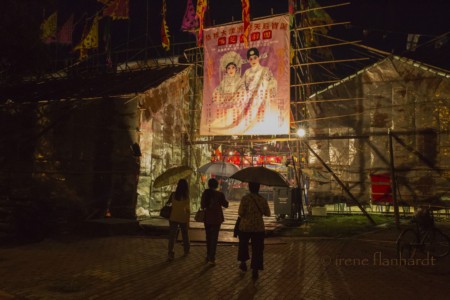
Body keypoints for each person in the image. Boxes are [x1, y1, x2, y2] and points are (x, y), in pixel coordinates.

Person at [237, 182, 271, 279]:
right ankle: (255, 269)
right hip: (258, 228)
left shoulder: (245, 199)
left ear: (249, 187)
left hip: (245, 227)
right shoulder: (262, 199)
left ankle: (243, 263)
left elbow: (240, 213)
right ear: (259, 188)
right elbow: (268, 213)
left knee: (243, 246)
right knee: (258, 249)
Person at [201, 178, 229, 265]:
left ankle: (208, 255)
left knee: (208, 237)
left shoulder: (205, 193)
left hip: (208, 218)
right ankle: (212, 257)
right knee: (214, 238)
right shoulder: (220, 194)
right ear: (216, 185)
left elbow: (202, 205)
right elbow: (226, 204)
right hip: (217, 218)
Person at [167, 179, 191, 261]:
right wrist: (188, 220)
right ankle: (186, 251)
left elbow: (168, 203)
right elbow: (188, 209)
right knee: (185, 235)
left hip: (173, 217)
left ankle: (170, 253)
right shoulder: (186, 197)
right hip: (183, 218)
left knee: (172, 236)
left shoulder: (173, 194)